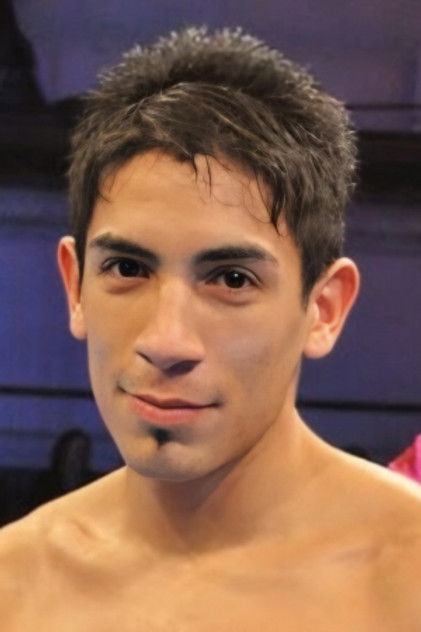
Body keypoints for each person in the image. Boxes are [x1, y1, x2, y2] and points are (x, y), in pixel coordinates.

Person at [1, 26, 421, 630]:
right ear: (75, 286)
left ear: (324, 309)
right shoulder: (14, 584)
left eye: (231, 279)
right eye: (127, 268)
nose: (165, 341)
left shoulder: (406, 579)